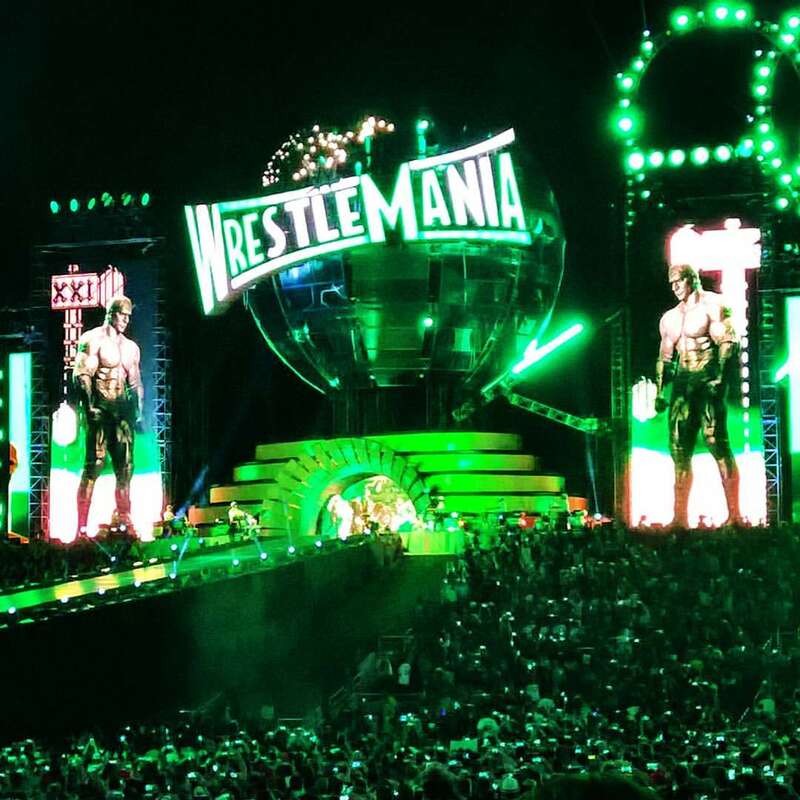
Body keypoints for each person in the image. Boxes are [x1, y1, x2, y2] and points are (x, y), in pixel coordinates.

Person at [655, 264, 740, 527]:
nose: (675, 287)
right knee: (679, 449)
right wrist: (659, 391)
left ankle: (734, 516)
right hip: (683, 383)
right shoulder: (669, 318)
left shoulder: (712, 305)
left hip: (706, 377)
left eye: (678, 281)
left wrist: (720, 378)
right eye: (671, 283)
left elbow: (729, 341)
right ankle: (679, 518)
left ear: (691, 279)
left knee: (716, 442)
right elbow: (665, 358)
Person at [73, 296, 144, 537]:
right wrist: (90, 405)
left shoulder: (131, 348)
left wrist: (139, 413)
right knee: (94, 465)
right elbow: (82, 374)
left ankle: (124, 520)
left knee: (125, 468)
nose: (125, 319)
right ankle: (81, 527)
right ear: (111, 313)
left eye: (128, 316)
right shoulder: (93, 339)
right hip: (100, 409)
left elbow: (135, 384)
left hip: (121, 412)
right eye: (122, 314)